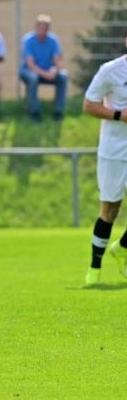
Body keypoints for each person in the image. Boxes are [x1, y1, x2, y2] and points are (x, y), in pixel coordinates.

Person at [83, 39, 127, 286]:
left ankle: (121, 248)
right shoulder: (111, 70)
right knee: (110, 210)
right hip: (114, 150)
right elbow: (89, 105)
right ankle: (94, 268)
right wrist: (119, 115)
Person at [19, 14, 68, 123]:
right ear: (36, 28)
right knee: (33, 78)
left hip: (48, 71)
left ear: (48, 29)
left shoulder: (53, 40)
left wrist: (54, 70)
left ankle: (58, 111)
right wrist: (44, 74)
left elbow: (57, 61)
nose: (42, 31)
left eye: (45, 28)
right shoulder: (28, 40)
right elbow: (30, 64)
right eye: (40, 28)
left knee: (63, 76)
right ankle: (34, 111)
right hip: (30, 71)